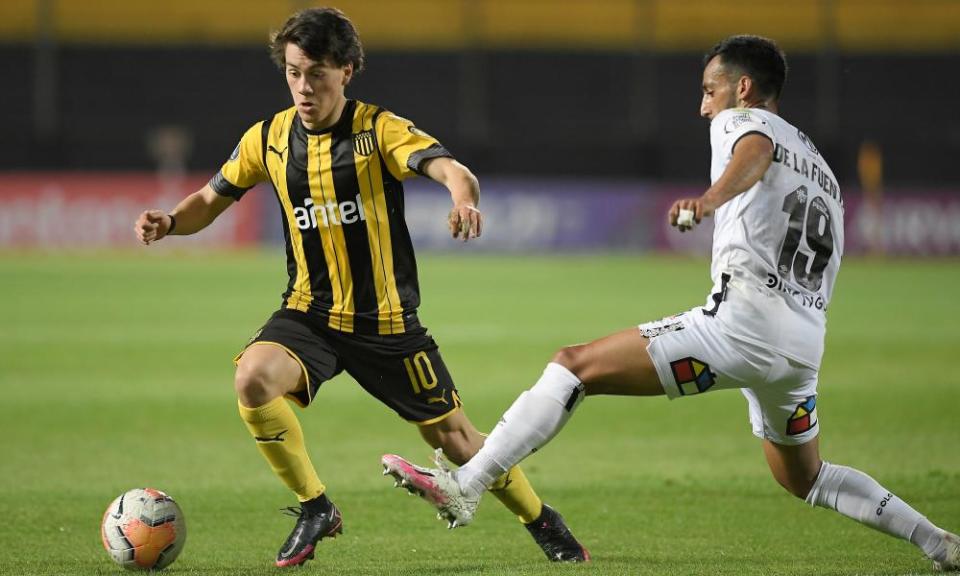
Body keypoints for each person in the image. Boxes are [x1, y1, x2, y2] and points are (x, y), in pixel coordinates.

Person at [381, 35, 960, 571]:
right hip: (803, 346)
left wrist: (708, 201)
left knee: (573, 366)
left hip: (742, 325)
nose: (704, 107)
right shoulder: (826, 177)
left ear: (743, 89)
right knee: (806, 478)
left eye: (710, 91)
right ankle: (940, 543)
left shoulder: (745, 122)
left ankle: (468, 485)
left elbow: (753, 150)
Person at [133, 7, 587, 568]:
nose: (303, 86)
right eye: (295, 72)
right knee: (252, 377)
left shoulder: (378, 131)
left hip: (387, 322)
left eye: (317, 73)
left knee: (457, 441)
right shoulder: (268, 139)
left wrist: (463, 199)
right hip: (309, 314)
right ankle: (315, 507)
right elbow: (211, 198)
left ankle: (542, 520)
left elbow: (451, 168)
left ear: (346, 71)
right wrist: (172, 222)